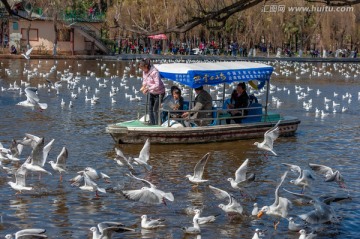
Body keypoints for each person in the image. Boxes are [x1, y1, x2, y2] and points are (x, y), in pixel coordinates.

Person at [139, 58, 165, 125]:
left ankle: (158, 124)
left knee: (155, 109)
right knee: (150, 108)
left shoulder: (155, 72)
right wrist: (144, 86)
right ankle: (152, 123)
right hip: (152, 92)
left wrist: (148, 89)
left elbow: (157, 84)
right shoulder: (144, 72)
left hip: (159, 93)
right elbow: (145, 80)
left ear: (146, 66)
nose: (141, 70)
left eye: (142, 68)